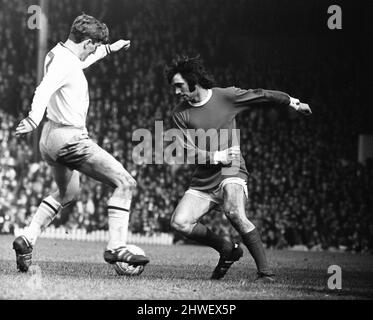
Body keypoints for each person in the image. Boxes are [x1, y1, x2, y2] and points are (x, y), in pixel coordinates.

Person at [12, 14, 149, 272]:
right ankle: (116, 246)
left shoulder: (59, 54)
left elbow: (80, 63)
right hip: (69, 138)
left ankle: (27, 238)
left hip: (50, 138)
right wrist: (32, 118)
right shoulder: (65, 63)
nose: (93, 51)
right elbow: (45, 87)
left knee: (69, 193)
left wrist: (110, 48)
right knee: (126, 183)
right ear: (87, 42)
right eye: (94, 46)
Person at [165, 56, 311, 282]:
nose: (175, 92)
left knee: (234, 212)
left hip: (231, 168)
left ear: (193, 80)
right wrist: (215, 156)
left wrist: (292, 101)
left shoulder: (226, 96)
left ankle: (264, 272)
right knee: (179, 222)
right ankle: (227, 249)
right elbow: (185, 150)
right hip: (205, 176)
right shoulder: (179, 113)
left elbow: (261, 95)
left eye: (179, 86)